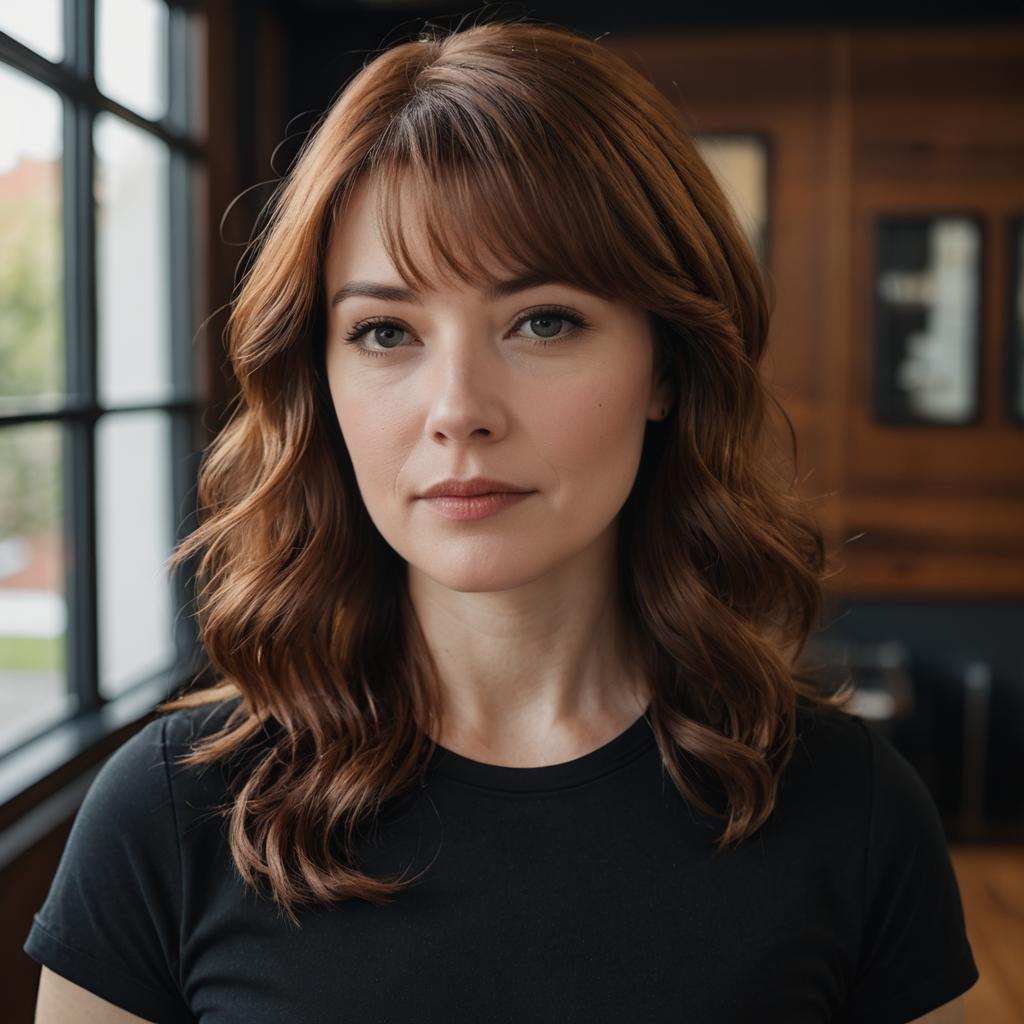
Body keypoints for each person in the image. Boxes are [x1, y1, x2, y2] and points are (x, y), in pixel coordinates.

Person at [24, 15, 977, 1024]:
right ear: (322, 380)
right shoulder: (169, 816)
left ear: (667, 364)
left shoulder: (853, 812)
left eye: (543, 321)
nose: (458, 409)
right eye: (384, 331)